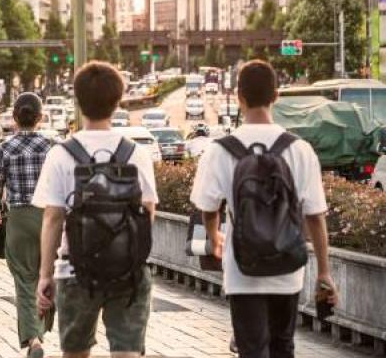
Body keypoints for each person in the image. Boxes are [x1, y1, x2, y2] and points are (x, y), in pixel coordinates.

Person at [190, 60, 338, 358]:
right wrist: (324, 272)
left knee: (251, 348)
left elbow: (208, 207)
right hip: (287, 266)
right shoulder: (299, 149)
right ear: (276, 95)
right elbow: (315, 217)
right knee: (283, 345)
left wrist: (214, 236)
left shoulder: (220, 150)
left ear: (239, 97)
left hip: (242, 269)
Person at [33, 61, 158, 358]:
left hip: (75, 269)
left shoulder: (61, 154)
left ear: (77, 100)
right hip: (128, 271)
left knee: (75, 353)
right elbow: (147, 212)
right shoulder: (136, 153)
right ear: (118, 101)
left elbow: (52, 218)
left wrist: (45, 275)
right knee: (127, 353)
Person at [0, 93, 53, 358]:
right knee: (47, 276)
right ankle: (42, 327)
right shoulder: (54, 147)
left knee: (25, 281)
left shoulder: (4, 148)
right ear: (40, 117)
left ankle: (34, 339)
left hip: (19, 218)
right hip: (51, 218)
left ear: (14, 118)